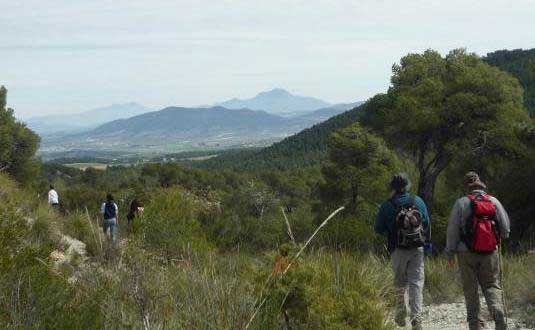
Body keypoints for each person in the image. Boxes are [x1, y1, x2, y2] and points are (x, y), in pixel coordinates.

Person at [446, 172, 510, 330]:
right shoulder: (493, 201)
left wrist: (450, 251)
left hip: (465, 253)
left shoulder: (461, 203)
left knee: (470, 290)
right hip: (490, 252)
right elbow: (506, 229)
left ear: (467, 188)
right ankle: (498, 312)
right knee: (491, 285)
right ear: (482, 186)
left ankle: (476, 326)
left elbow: (452, 230)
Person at [375, 173, 430, 330]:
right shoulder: (417, 201)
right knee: (416, 283)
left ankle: (400, 312)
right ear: (407, 185)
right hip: (417, 248)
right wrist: (428, 244)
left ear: (392, 187)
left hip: (397, 249)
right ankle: (416, 318)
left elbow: (378, 229)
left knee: (399, 282)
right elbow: (426, 222)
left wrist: (389, 224)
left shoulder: (386, 205)